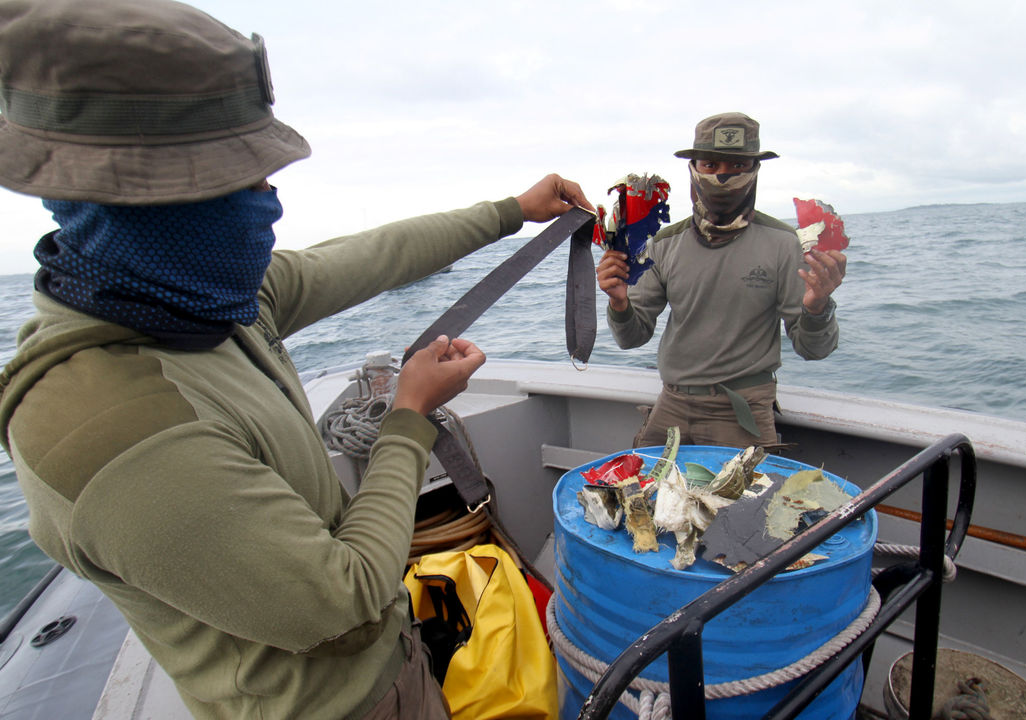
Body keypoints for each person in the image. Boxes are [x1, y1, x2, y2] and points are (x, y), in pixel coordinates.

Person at [0, 1, 591, 719]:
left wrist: (509, 211)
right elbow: (341, 606)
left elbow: (367, 258)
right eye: (241, 180)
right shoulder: (108, 424)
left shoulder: (200, 297)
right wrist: (408, 418)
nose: (271, 202)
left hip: (396, 669)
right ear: (148, 201)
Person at [596, 112, 845, 449]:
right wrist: (619, 302)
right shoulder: (663, 243)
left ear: (755, 170)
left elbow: (814, 349)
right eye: (710, 166)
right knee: (646, 497)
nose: (722, 177)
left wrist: (818, 307)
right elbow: (632, 337)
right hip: (671, 404)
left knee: (745, 502)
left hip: (744, 410)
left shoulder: (785, 243)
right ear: (693, 169)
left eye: (737, 167)